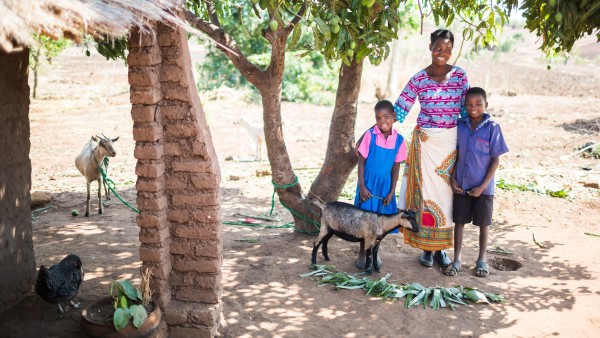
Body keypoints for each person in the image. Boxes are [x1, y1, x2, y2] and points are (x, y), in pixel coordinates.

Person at [394, 29, 471, 269]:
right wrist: (377, 131)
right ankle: (426, 248)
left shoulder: (460, 76)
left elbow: (467, 110)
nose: (443, 53)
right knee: (425, 198)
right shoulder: (419, 79)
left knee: (447, 198)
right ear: (430, 47)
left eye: (447, 49)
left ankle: (441, 250)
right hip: (426, 144)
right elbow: (399, 109)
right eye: (438, 48)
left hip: (450, 144)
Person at [445, 87, 509, 277]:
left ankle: (481, 260)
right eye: (470, 104)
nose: (474, 108)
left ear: (486, 105)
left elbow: (495, 160)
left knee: (483, 224)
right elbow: (456, 155)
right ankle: (456, 259)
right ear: (464, 106)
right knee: (459, 222)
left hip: (484, 188)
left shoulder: (493, 127)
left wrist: (482, 187)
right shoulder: (460, 125)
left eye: (478, 104)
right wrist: (452, 178)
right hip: (461, 185)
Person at [354, 100, 407, 269]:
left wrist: (392, 191)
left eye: (386, 117)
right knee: (366, 219)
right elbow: (361, 162)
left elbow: (396, 168)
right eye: (378, 118)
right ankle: (363, 251)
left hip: (384, 187)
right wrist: (362, 186)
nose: (382, 121)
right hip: (368, 184)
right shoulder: (370, 135)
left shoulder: (399, 140)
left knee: (380, 221)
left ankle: (375, 252)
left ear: (394, 117)